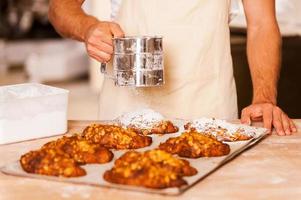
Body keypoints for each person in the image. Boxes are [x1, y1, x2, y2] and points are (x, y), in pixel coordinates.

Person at [48, 0, 297, 136]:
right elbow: (60, 8)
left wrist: (264, 98)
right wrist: (88, 28)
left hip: (209, 112)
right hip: (125, 113)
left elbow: (262, 24)